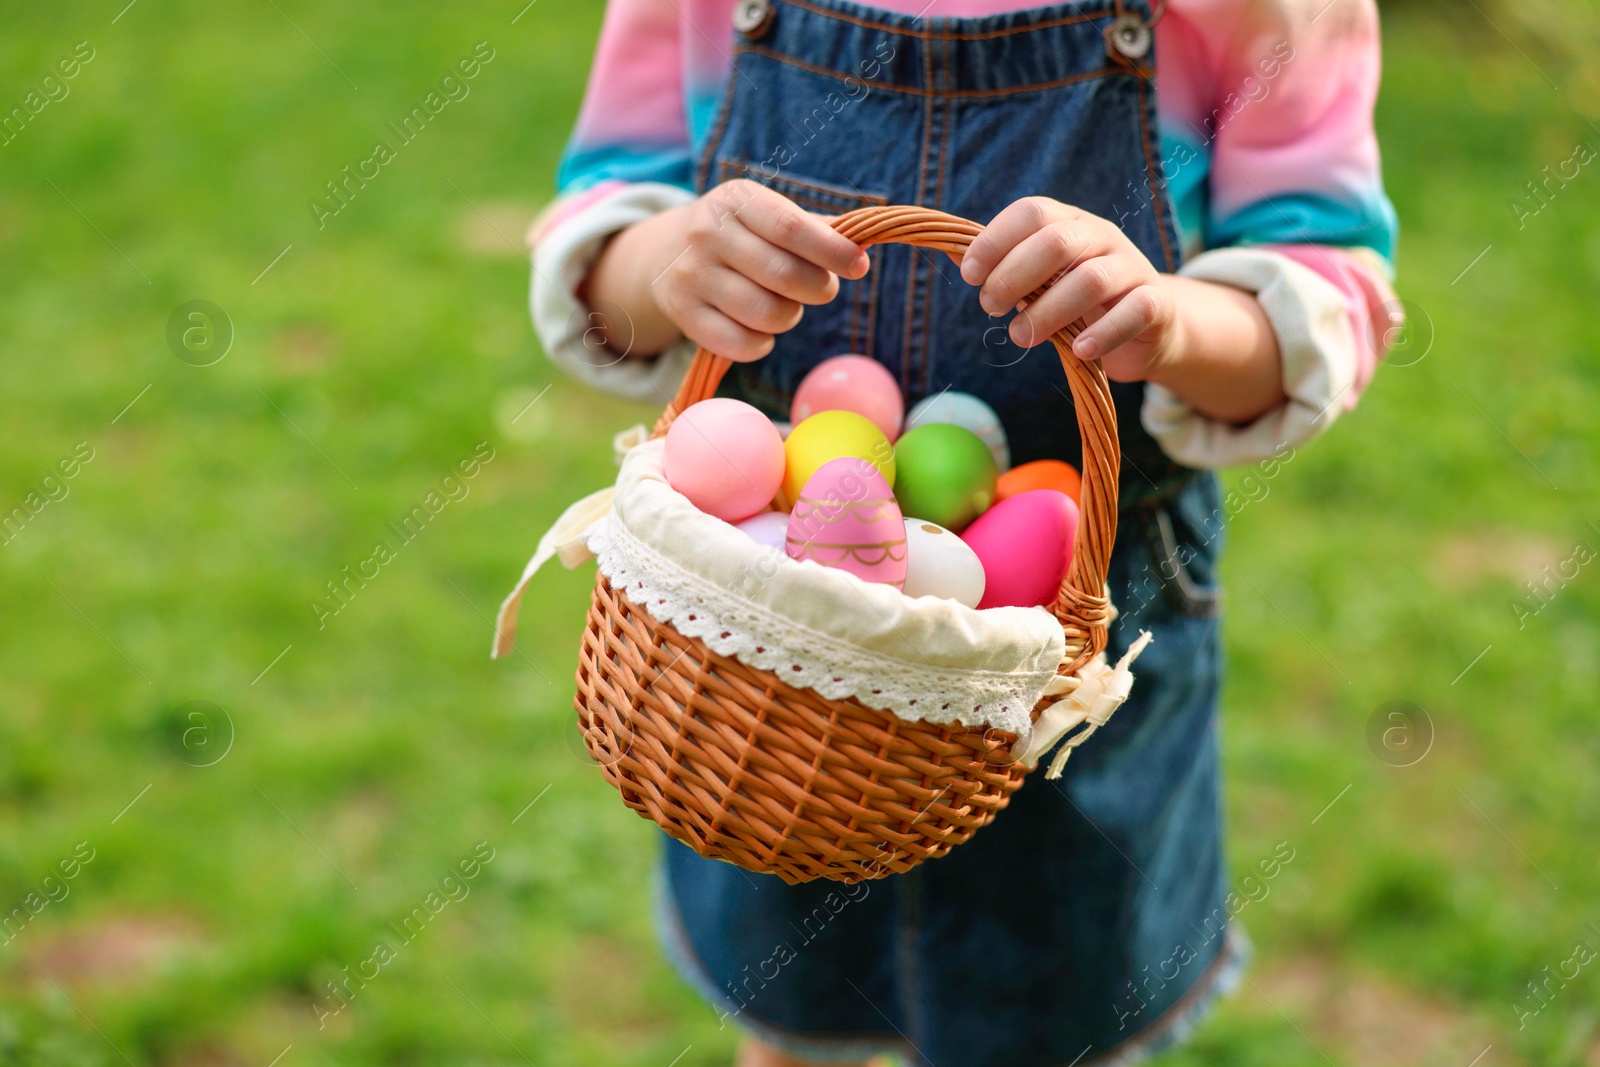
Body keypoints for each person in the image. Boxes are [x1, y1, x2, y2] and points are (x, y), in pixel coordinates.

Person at [529, 0, 1399, 1062]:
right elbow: (606, 223)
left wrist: (1171, 321)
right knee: (793, 1011)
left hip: (1067, 658)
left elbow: (1328, 279)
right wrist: (665, 258)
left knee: (1046, 1017)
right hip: (765, 651)